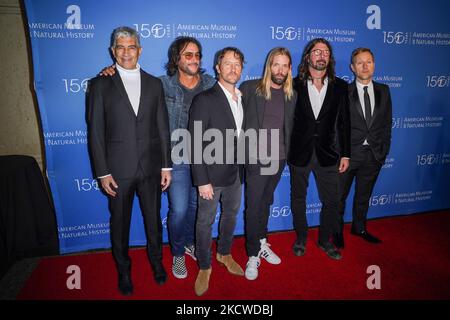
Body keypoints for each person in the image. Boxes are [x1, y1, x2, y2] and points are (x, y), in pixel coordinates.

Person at [99, 37, 216, 279]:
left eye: (197, 55)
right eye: (188, 55)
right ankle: (177, 253)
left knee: (196, 208)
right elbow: (130, 82)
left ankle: (188, 243)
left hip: (204, 157)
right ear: (177, 59)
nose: (194, 59)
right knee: (179, 210)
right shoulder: (161, 84)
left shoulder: (209, 83)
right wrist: (110, 71)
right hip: (176, 157)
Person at [88, 26, 172, 296]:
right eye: (120, 47)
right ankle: (124, 270)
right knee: (120, 224)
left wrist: (166, 165)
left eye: (131, 46)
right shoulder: (100, 84)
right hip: (118, 170)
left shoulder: (154, 83)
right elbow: (96, 132)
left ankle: (157, 264)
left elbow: (162, 127)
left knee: (153, 222)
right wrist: (102, 172)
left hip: (150, 168)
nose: (126, 52)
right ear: (113, 51)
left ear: (140, 49)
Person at [188, 47, 246, 296]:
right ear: (217, 67)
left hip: (236, 174)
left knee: (231, 216)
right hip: (210, 177)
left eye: (237, 64)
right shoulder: (205, 99)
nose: (233, 68)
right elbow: (194, 142)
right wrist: (202, 180)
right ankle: (204, 265)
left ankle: (224, 253)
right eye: (228, 64)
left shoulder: (241, 97)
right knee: (205, 222)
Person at [289, 38, 350, 260]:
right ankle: (301, 238)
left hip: (328, 153)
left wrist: (345, 153)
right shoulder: (292, 84)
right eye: (317, 51)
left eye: (325, 51)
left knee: (332, 201)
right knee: (298, 199)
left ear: (330, 58)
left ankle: (325, 240)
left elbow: (345, 122)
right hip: (299, 152)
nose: (321, 55)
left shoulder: (341, 86)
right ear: (308, 57)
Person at [239, 47, 296, 280]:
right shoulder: (250, 89)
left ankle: (261, 240)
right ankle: (253, 254)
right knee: (253, 206)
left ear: (289, 69)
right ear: (268, 66)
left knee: (265, 202)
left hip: (279, 158)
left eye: (285, 65)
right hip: (255, 158)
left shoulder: (293, 94)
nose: (280, 70)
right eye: (276, 64)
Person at [334, 48, 392, 248]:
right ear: (352, 67)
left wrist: (383, 152)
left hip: (373, 155)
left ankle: (359, 228)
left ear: (374, 65)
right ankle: (337, 232)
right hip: (348, 156)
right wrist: (343, 154)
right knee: (339, 197)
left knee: (363, 196)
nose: (365, 66)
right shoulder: (344, 92)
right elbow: (337, 126)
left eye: (369, 62)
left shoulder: (384, 90)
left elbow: (386, 124)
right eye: (360, 62)